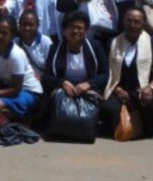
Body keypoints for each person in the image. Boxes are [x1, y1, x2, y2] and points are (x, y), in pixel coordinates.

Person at [100, 8, 153, 139]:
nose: (132, 25)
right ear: (123, 21)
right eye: (129, 20)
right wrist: (118, 90)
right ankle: (122, 128)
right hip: (117, 89)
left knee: (147, 102)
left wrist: (150, 87)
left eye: (137, 21)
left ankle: (142, 128)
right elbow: (107, 71)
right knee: (109, 108)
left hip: (141, 90)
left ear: (144, 23)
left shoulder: (152, 41)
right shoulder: (113, 42)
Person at [42, 12, 109, 140]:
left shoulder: (96, 47)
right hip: (65, 89)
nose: (75, 31)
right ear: (64, 30)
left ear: (86, 30)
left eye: (79, 28)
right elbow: (47, 76)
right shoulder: (55, 48)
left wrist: (89, 84)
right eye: (71, 27)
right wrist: (62, 83)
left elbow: (105, 75)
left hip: (88, 89)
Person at [0, 16, 44, 121]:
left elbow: (16, 89)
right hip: (9, 87)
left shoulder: (16, 55)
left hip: (29, 91)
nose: (0, 36)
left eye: (5, 33)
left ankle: (27, 117)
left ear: (12, 36)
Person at [15, 10, 52, 79]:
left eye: (31, 25)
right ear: (19, 25)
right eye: (24, 24)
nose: (27, 28)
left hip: (42, 81)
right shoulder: (15, 43)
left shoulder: (46, 42)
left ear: (37, 26)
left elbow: (51, 68)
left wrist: (42, 77)